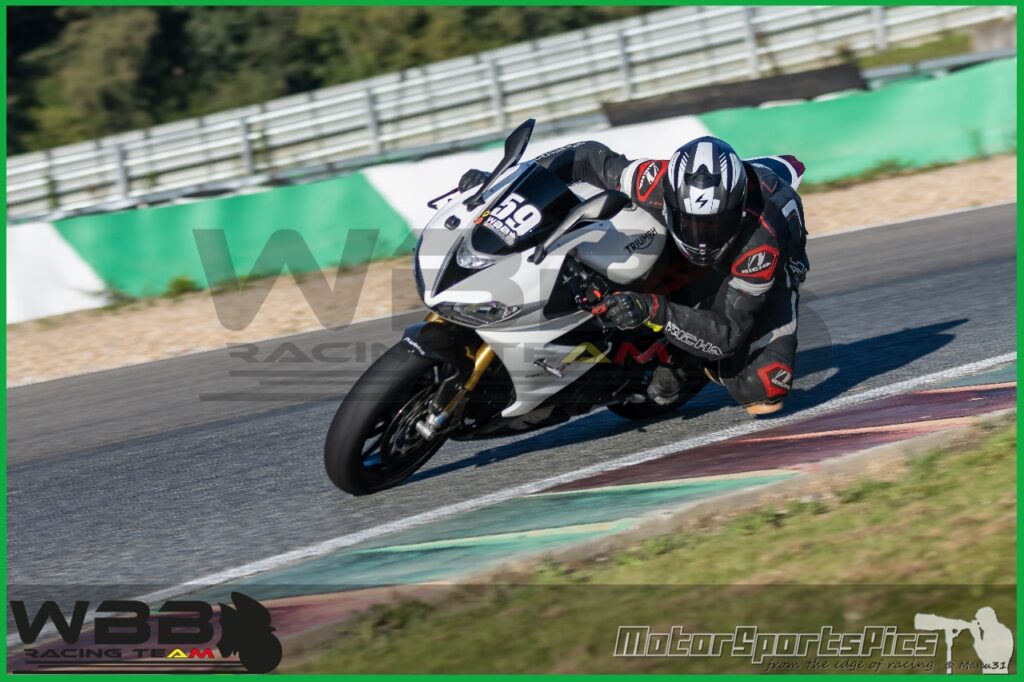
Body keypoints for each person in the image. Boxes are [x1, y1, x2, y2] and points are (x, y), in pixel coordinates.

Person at [458, 136, 809, 416]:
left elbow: (728, 333)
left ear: (737, 209)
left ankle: (688, 359)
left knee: (761, 389)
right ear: (670, 201)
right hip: (674, 242)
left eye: (714, 225)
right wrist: (505, 183)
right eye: (690, 222)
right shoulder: (652, 180)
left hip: (769, 264)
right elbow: (585, 156)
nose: (702, 237)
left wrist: (654, 310)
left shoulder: (761, 244)